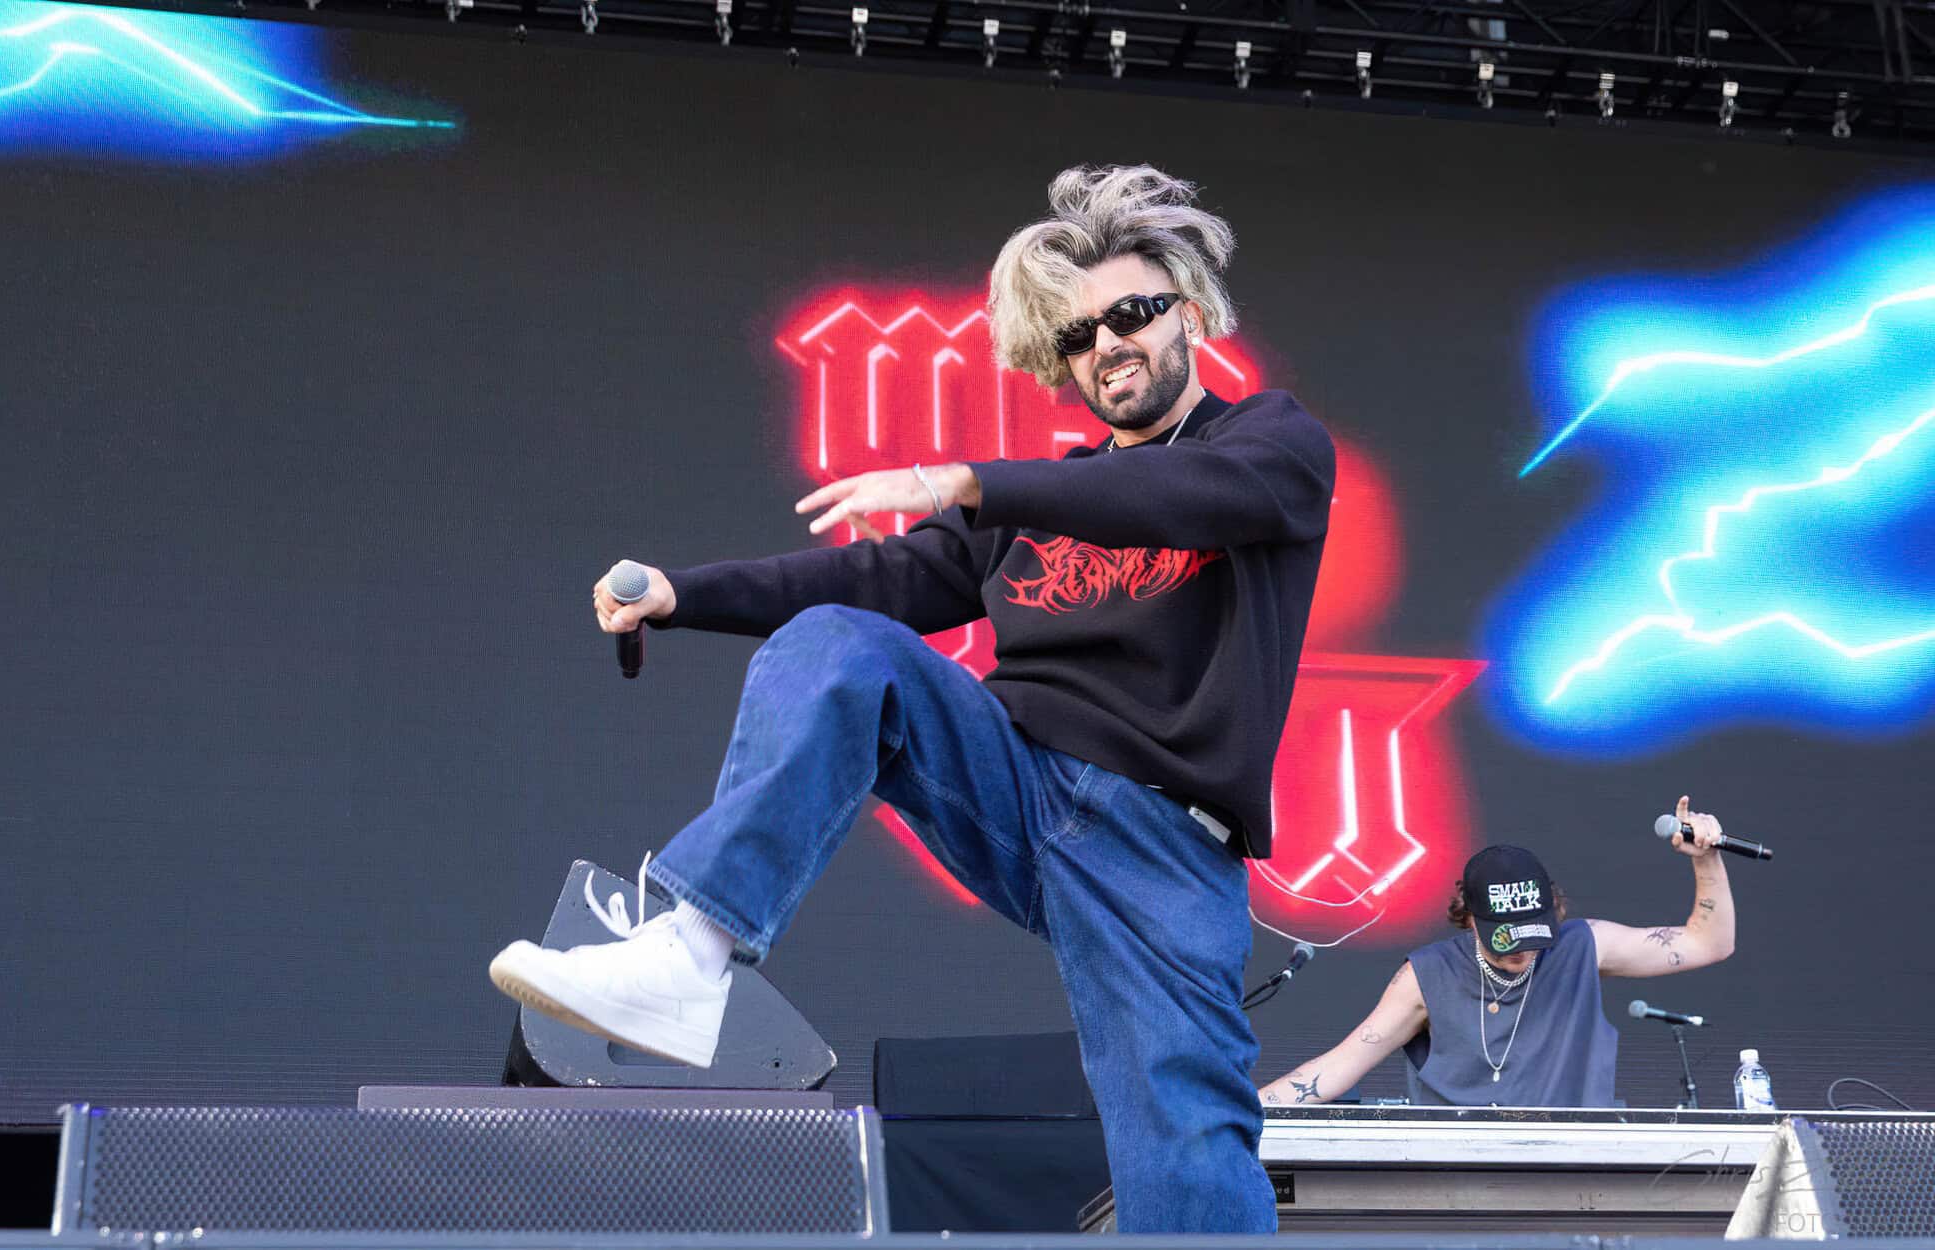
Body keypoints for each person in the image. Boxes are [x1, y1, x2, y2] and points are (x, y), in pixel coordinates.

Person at [487, 164, 1334, 1233]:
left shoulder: (1270, 446)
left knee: (1188, 1149)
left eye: (1131, 314)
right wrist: (680, 593)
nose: (1107, 346)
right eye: (1078, 336)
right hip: (1018, 782)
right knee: (840, 643)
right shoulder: (1028, 507)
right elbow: (874, 579)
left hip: (1162, 844)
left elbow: (1190, 494)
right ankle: (690, 955)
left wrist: (966, 479)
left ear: (1189, 314)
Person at [1256, 796, 1737, 1108]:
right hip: (1455, 1178)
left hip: (1576, 1168)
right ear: (1469, 917)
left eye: (1533, 935)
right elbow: (1341, 1065)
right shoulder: (1428, 975)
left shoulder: (1583, 946)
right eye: (1506, 938)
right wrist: (1242, 1116)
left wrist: (1707, 860)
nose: (1522, 952)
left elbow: (1709, 944)